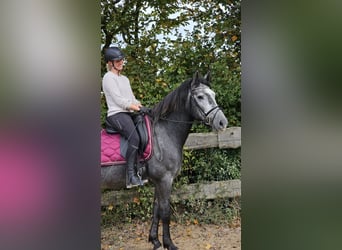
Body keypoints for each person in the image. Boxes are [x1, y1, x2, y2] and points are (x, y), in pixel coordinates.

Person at [102, 46, 143, 188]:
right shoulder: (108, 78)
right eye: (117, 60)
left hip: (128, 112)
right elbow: (119, 101)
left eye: (121, 60)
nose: (121, 62)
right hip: (116, 114)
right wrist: (134, 107)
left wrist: (141, 106)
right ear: (110, 63)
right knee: (134, 137)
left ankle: (142, 169)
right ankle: (130, 176)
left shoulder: (124, 79)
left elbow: (131, 97)